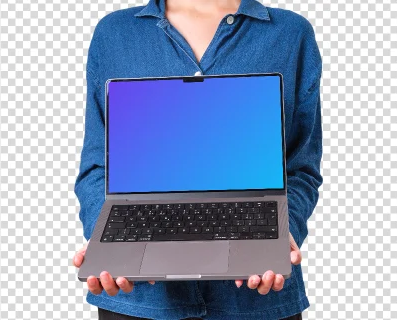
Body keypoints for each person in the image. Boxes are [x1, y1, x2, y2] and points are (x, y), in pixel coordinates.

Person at [72, 0, 322, 319]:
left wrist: (284, 232)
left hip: (255, 303)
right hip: (141, 303)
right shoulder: (115, 33)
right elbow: (97, 167)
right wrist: (107, 240)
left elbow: (301, 167)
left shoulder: (290, 33)